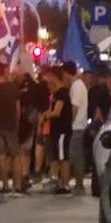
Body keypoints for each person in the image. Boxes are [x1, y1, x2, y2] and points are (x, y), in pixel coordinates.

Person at [0, 62, 24, 195]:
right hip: (11, 125)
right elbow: (18, 109)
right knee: (15, 156)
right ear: (4, 72)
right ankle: (17, 186)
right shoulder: (13, 88)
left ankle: (6, 186)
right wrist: (17, 123)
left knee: (1, 156)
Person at [45, 67, 73, 195]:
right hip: (56, 131)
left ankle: (65, 185)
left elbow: (57, 112)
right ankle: (57, 181)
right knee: (57, 156)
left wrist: (46, 115)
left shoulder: (62, 93)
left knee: (63, 157)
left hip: (62, 131)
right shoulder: (56, 93)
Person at [66, 61, 89, 195]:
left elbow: (74, 108)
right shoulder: (79, 85)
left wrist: (69, 123)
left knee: (76, 157)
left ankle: (79, 185)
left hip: (76, 127)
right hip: (79, 125)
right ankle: (78, 184)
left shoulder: (76, 86)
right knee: (77, 156)